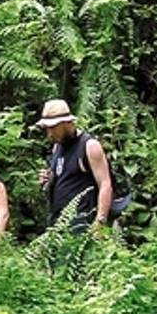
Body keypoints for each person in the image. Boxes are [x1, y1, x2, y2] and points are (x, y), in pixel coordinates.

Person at [35, 98, 128, 230]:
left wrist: (99, 224)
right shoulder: (57, 147)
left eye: (53, 128)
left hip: (83, 224)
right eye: (47, 128)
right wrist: (48, 180)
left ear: (67, 123)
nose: (49, 134)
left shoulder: (89, 146)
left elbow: (105, 184)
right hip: (58, 225)